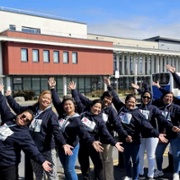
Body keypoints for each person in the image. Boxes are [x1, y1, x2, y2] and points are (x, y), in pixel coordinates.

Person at [104, 78, 168, 180]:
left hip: (135, 141)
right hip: (124, 140)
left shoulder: (137, 112)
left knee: (136, 160)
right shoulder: (121, 108)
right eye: (129, 102)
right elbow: (115, 97)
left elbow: (146, 124)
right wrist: (109, 86)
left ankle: (136, 178)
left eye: (133, 102)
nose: (131, 104)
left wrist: (157, 134)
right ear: (125, 102)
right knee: (126, 160)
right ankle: (129, 176)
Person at [67, 80, 130, 180]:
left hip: (104, 139)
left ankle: (107, 178)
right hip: (87, 141)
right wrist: (74, 91)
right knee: (86, 164)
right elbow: (80, 100)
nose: (108, 101)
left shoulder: (108, 112)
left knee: (105, 162)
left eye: (110, 100)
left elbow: (116, 125)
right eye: (106, 98)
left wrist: (121, 137)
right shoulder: (87, 110)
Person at [5, 89, 73, 180]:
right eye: (44, 97)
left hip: (47, 150)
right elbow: (18, 108)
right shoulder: (32, 110)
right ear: (40, 98)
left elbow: (56, 130)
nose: (46, 100)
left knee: (52, 175)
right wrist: (9, 97)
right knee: (38, 175)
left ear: (51, 101)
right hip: (34, 150)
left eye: (49, 99)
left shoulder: (51, 115)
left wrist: (63, 143)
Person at [48, 78, 104, 180]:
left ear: (74, 106)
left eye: (70, 104)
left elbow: (83, 132)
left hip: (72, 146)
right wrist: (52, 89)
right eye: (65, 104)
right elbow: (56, 101)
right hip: (61, 145)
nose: (67, 106)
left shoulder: (77, 119)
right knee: (65, 169)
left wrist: (92, 141)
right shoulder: (62, 114)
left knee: (70, 169)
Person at [0, 84, 52, 180]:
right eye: (23, 116)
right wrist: (1, 93)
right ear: (19, 114)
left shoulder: (23, 133)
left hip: (8, 166)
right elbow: (3, 105)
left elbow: (32, 149)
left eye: (27, 120)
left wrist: (42, 161)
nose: (24, 119)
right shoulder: (9, 118)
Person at [153, 91, 180, 180]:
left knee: (176, 155)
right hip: (163, 135)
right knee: (158, 154)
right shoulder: (158, 107)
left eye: (171, 97)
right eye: (167, 96)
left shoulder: (176, 108)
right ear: (163, 98)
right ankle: (159, 170)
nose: (169, 98)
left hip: (174, 134)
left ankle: (176, 172)